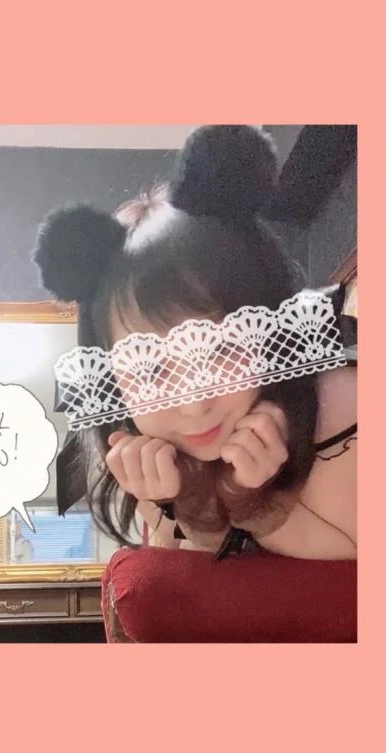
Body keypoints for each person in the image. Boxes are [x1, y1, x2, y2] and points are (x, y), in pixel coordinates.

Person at [33, 125, 357, 561]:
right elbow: (201, 586)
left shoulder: (342, 401)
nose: (193, 404)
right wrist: (194, 502)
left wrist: (254, 505)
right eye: (150, 368)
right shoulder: (147, 453)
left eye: (219, 349)